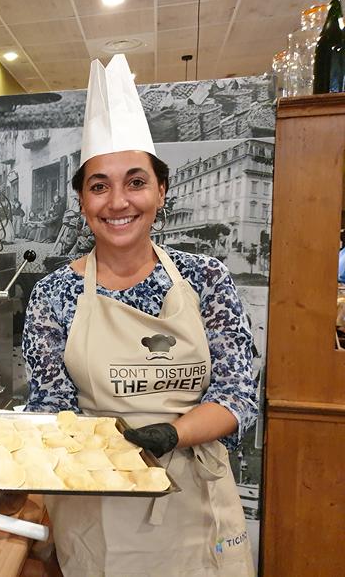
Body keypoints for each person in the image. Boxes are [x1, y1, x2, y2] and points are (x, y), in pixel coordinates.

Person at [22, 56, 256, 576]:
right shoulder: (54, 293)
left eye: (135, 182)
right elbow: (53, 404)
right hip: (95, 499)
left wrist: (173, 433)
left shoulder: (206, 278)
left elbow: (238, 397)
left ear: (160, 192)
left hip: (195, 502)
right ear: (82, 200)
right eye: (99, 186)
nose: (118, 201)